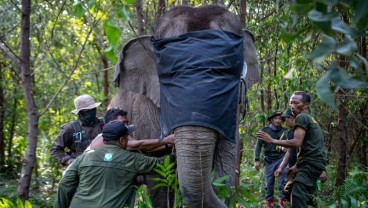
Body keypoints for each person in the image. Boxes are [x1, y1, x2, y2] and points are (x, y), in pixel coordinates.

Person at [53, 121, 173, 208]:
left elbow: (65, 185)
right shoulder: (132, 159)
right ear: (122, 140)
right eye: (127, 137)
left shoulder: (84, 157)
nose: (128, 140)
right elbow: (162, 164)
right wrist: (178, 153)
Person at [256, 91, 327, 208]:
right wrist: (296, 166)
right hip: (307, 164)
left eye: (296, 102)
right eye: (290, 103)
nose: (292, 106)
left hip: (310, 165)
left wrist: (273, 141)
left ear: (306, 105)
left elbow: (296, 143)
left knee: (297, 194)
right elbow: (308, 147)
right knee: (291, 190)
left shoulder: (302, 117)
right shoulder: (308, 119)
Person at [86, 107, 174, 152]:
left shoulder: (121, 136)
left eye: (126, 122)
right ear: (111, 123)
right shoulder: (105, 137)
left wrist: (167, 145)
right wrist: (166, 140)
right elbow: (137, 145)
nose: (126, 126)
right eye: (122, 122)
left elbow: (143, 148)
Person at [50, 94, 104, 166]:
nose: (91, 113)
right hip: (81, 169)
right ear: (80, 112)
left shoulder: (104, 124)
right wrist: (70, 161)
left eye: (93, 109)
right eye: (87, 111)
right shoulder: (70, 129)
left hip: (104, 166)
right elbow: (55, 150)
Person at [254, 111, 287, 208]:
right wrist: (256, 160)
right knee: (269, 183)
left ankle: (283, 201)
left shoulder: (284, 132)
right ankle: (269, 202)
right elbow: (258, 146)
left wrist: (284, 147)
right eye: (276, 118)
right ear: (271, 120)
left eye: (280, 119)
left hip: (281, 158)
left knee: (283, 180)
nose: (278, 120)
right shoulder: (264, 131)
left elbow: (288, 145)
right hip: (269, 159)